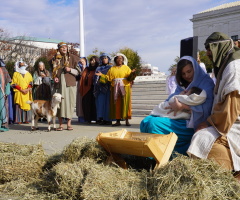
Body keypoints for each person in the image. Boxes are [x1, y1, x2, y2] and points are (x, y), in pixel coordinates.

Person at [187, 32, 240, 173]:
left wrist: (209, 122)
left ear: (219, 47)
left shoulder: (234, 68)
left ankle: (229, 172)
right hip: (228, 121)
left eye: (210, 48)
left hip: (234, 124)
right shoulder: (226, 64)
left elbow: (231, 108)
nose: (208, 53)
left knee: (202, 138)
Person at [140, 56, 215, 155]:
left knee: (153, 124)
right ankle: (151, 155)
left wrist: (183, 107)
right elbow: (172, 98)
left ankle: (162, 155)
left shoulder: (206, 83)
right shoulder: (183, 85)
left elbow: (208, 107)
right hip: (177, 119)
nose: (187, 76)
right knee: (145, 122)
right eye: (183, 73)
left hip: (192, 124)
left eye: (189, 71)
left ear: (195, 69)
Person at [95, 53, 136, 126]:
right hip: (115, 88)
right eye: (118, 58)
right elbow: (108, 78)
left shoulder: (126, 68)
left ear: (123, 60)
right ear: (115, 60)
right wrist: (102, 75)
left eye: (121, 58)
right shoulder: (112, 69)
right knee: (116, 104)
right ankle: (117, 121)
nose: (119, 59)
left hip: (125, 87)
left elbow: (130, 78)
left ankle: (127, 120)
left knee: (126, 104)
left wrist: (132, 74)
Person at [51, 42, 80, 131]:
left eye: (65, 47)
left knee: (70, 103)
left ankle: (69, 124)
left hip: (70, 82)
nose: (64, 49)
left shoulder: (73, 58)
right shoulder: (55, 58)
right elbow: (52, 71)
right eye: (62, 47)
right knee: (59, 103)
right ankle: (60, 125)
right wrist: (54, 77)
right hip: (59, 84)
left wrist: (70, 69)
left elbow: (79, 72)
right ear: (59, 49)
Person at [11, 60, 33, 124]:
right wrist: (21, 89)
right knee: (19, 106)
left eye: (23, 65)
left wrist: (28, 88)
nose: (22, 66)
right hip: (19, 92)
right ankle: (19, 120)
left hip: (27, 92)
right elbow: (14, 83)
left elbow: (31, 82)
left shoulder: (28, 73)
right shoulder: (16, 73)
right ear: (18, 65)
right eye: (21, 65)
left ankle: (26, 119)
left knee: (27, 104)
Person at [79, 56, 99, 124]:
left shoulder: (98, 68)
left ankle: (97, 119)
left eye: (94, 60)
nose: (92, 62)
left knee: (95, 105)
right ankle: (88, 119)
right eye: (91, 60)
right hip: (87, 89)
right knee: (87, 104)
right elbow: (83, 78)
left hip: (95, 89)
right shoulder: (87, 69)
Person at [94, 53, 112, 125]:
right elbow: (95, 78)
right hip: (100, 88)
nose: (104, 60)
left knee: (108, 104)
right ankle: (101, 119)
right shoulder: (98, 68)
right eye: (103, 58)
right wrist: (97, 80)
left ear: (108, 59)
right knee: (100, 104)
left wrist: (102, 76)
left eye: (106, 58)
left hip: (108, 88)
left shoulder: (111, 68)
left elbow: (111, 77)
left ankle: (108, 119)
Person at [0, 58, 11, 131]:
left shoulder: (3, 70)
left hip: (1, 92)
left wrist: (7, 91)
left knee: (2, 108)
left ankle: (2, 125)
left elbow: (8, 81)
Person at [76, 57, 88, 123]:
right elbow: (76, 77)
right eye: (80, 62)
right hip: (80, 86)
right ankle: (81, 117)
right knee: (80, 102)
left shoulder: (88, 69)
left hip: (87, 87)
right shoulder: (77, 69)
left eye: (83, 61)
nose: (82, 63)